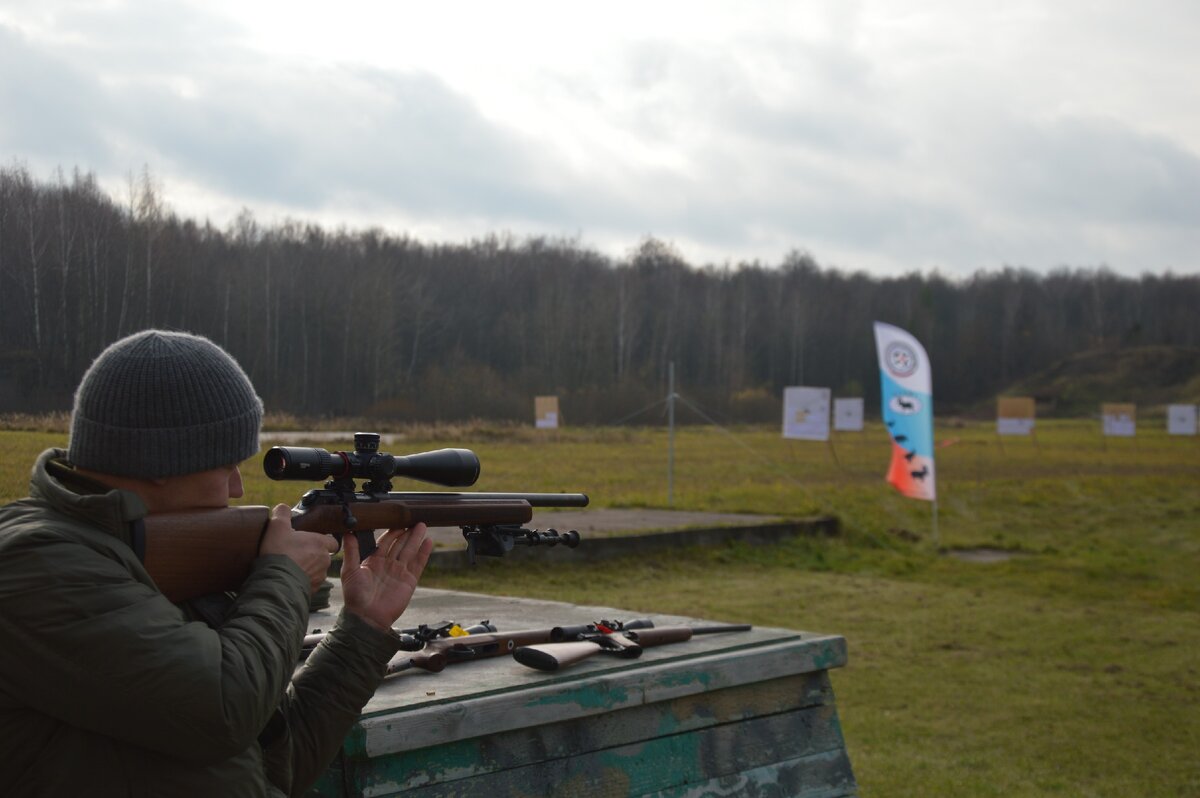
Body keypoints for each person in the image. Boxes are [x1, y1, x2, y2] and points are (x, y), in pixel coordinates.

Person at [0, 329, 433, 796]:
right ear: (160, 462)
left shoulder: (150, 562)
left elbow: (273, 766)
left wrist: (362, 630)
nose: (237, 489)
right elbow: (224, 710)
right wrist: (283, 576)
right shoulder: (34, 564)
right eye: (226, 464)